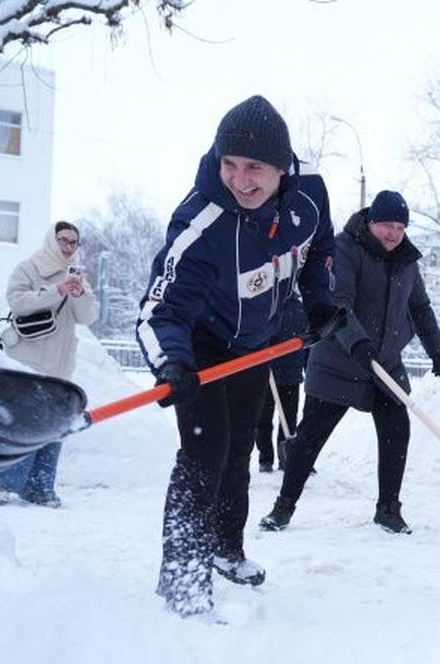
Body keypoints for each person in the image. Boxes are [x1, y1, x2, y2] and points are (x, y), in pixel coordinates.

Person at [136, 95, 338, 618]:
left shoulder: (308, 198)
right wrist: (172, 363)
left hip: (256, 345)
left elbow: (318, 250)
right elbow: (161, 310)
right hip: (201, 344)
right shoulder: (202, 222)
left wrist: (318, 300)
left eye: (255, 168)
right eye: (230, 164)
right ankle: (182, 579)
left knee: (240, 452)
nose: (241, 180)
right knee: (205, 454)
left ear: (283, 168)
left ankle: (227, 549)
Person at [259, 190, 440, 536]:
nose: (393, 233)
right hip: (338, 360)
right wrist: (357, 343)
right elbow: (338, 302)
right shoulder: (344, 249)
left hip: (384, 364)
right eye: (386, 225)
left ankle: (388, 509)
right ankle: (283, 507)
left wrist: (436, 346)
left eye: (400, 227)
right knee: (309, 438)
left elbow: (419, 306)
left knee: (396, 431)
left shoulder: (406, 260)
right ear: (371, 222)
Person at [0, 221, 98, 508]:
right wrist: (56, 290)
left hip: (60, 365)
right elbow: (18, 303)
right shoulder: (29, 268)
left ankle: (39, 487)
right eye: (63, 240)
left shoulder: (77, 276)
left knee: (56, 425)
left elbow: (89, 317)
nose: (68, 247)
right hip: (28, 361)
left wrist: (80, 294)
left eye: (73, 242)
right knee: (23, 423)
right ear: (51, 240)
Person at [256, 290, 307, 472]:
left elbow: (305, 341)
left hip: (285, 374)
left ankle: (278, 458)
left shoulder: (297, 309)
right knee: (269, 419)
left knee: (279, 420)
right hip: (271, 374)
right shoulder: (272, 308)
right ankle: (269, 458)